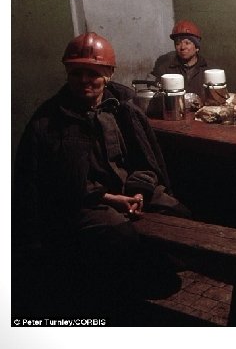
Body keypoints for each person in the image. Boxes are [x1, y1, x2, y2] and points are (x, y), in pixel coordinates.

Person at [13, 32, 190, 317]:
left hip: (126, 190)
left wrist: (139, 190)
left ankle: (153, 274)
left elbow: (144, 159)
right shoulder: (50, 121)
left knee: (178, 213)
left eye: (93, 73)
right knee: (118, 235)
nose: (84, 80)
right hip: (84, 200)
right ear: (68, 73)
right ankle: (122, 301)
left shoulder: (122, 109)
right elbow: (56, 182)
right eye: (77, 73)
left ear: (108, 74)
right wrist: (110, 198)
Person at [151, 19, 211, 95]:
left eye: (187, 43)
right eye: (178, 43)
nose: (182, 47)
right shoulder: (165, 70)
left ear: (197, 47)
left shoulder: (209, 69)